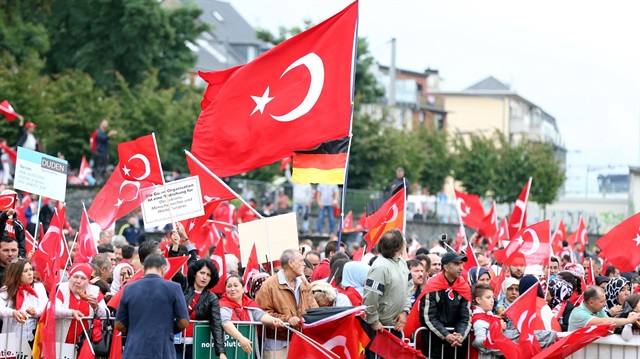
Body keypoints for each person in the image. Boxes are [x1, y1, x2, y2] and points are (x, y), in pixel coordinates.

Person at [115, 254, 190, 359]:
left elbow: (119, 324)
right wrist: (168, 330)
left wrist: (134, 328)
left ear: (143, 269)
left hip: (134, 349)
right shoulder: (174, 288)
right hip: (163, 349)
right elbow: (183, 322)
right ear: (164, 269)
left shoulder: (129, 289)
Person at [255, 249, 318, 359]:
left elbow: (314, 309)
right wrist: (287, 319)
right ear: (291, 263)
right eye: (301, 261)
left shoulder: (304, 283)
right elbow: (261, 313)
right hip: (278, 344)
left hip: (301, 341)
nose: (304, 264)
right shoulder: (269, 285)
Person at [363, 229, 411, 355]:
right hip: (380, 329)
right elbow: (370, 296)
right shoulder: (380, 267)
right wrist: (373, 320)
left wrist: (405, 311)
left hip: (394, 327)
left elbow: (408, 288)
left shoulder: (401, 263)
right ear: (399, 247)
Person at [417, 251, 472, 359]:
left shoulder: (464, 287)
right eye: (457, 264)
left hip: (456, 344)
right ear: (446, 267)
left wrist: (460, 335)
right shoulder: (432, 286)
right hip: (433, 344)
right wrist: (446, 334)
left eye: (461, 264)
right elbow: (428, 317)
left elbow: (466, 317)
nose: (461, 268)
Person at [172, 258, 226, 359]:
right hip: (174, 343)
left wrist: (221, 351)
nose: (204, 277)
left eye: (208, 275)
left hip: (195, 345)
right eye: (202, 273)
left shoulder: (212, 298)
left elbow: (216, 324)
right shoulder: (184, 284)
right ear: (194, 273)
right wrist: (175, 248)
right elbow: (173, 270)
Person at [219, 275, 285, 355]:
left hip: (247, 349)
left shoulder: (249, 303)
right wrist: (241, 338)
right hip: (229, 347)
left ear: (243, 289)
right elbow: (225, 323)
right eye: (229, 286)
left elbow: (260, 315)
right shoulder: (222, 305)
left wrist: (272, 320)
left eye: (236, 285)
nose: (232, 289)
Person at [55, 263, 109, 345]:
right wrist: (71, 313)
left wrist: (96, 307)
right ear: (69, 277)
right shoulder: (62, 288)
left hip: (85, 342)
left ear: (88, 281)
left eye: (83, 278)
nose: (78, 281)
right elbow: (54, 309)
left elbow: (106, 314)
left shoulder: (94, 291)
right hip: (62, 343)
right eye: (75, 277)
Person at [0, 259, 47, 344]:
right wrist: (13, 312)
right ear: (16, 274)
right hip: (11, 337)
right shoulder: (6, 289)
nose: (30, 273)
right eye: (25, 271)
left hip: (32, 337)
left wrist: (35, 311)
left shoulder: (39, 287)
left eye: (31, 269)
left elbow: (45, 306)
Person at [567, 285, 640, 331]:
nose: (605, 304)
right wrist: (629, 320)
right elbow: (605, 322)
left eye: (605, 300)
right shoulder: (578, 313)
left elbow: (611, 327)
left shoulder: (599, 310)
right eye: (602, 301)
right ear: (591, 302)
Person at [471, 284, 505, 358]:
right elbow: (479, 341)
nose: (492, 300)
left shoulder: (490, 316)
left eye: (492, 297)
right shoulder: (479, 320)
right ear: (478, 300)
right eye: (488, 297)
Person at [92, 118, 117, 184]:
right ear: (101, 123)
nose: (107, 124)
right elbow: (102, 138)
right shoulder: (99, 132)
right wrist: (109, 135)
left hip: (101, 153)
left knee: (103, 168)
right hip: (100, 153)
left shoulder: (101, 132)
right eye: (105, 122)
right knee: (100, 168)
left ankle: (100, 180)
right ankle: (98, 181)